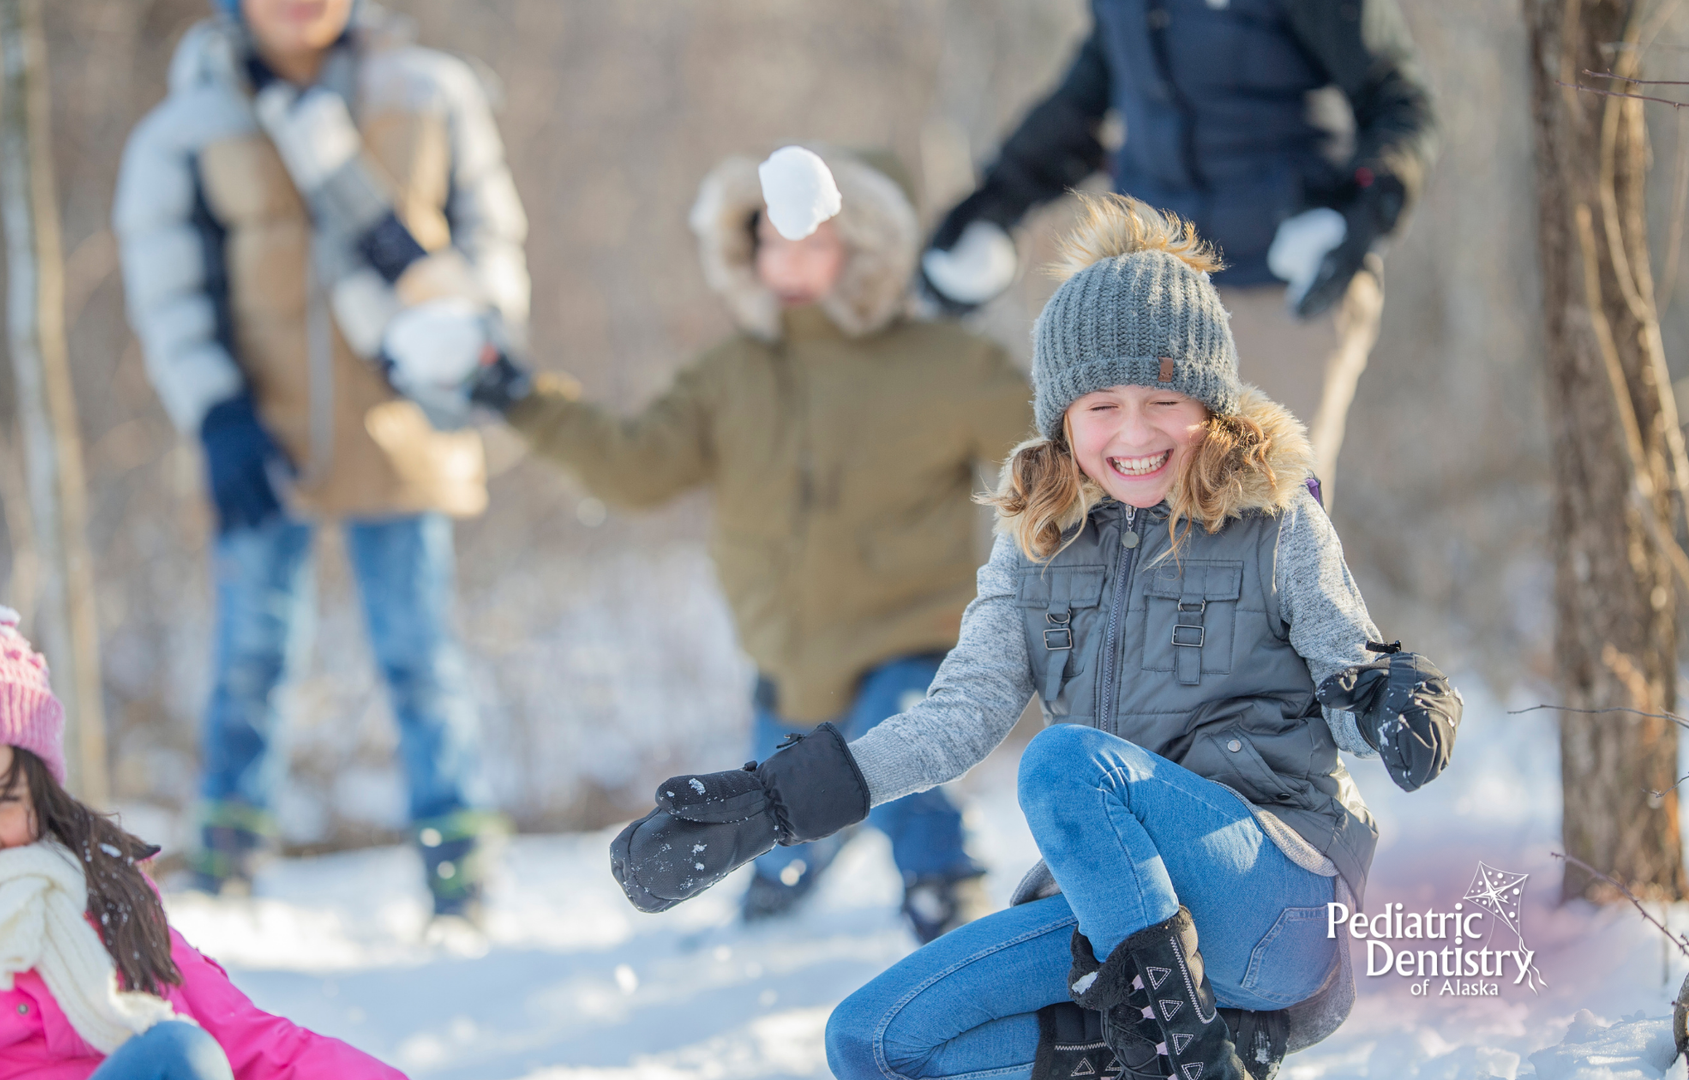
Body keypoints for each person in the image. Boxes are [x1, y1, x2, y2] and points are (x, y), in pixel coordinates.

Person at [609, 196, 1460, 1079]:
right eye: (1102, 406)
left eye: (1165, 399)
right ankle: (1187, 1049)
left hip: (1270, 892)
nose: (1134, 435)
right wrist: (774, 802)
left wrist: (1398, 698)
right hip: (1125, 916)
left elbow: (1351, 676)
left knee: (1060, 762)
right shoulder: (1036, 546)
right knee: (872, 1041)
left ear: (1211, 402)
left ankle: (1183, 1058)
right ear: (1062, 416)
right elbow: (956, 719)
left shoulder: (1275, 522)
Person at [471, 148, 1036, 942]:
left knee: (913, 774)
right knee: (771, 851)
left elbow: (1047, 448)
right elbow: (636, 467)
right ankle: (788, 884)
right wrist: (524, 400)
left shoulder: (944, 363)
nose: (790, 261)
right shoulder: (728, 376)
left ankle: (944, 897)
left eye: (811, 241)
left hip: (909, 645)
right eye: (772, 241)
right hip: (790, 670)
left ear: (862, 248)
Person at [112, 0, 528, 915]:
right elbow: (169, 291)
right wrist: (217, 411)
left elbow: (490, 239)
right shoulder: (185, 132)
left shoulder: (431, 94)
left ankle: (459, 869)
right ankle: (228, 868)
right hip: (260, 435)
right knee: (252, 656)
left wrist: (472, 340)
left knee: (421, 654)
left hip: (405, 427)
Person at [0, 573, 409, 1080]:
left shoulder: (106, 902)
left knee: (189, 1053)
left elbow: (248, 1043)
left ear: (40, 796)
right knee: (174, 1060)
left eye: (0, 800)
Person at [918, 0, 1437, 500]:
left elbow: (1396, 100)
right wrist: (995, 199)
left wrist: (1365, 209)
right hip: (1157, 296)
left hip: (1281, 283)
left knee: (1264, 516)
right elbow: (1090, 92)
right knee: (1136, 520)